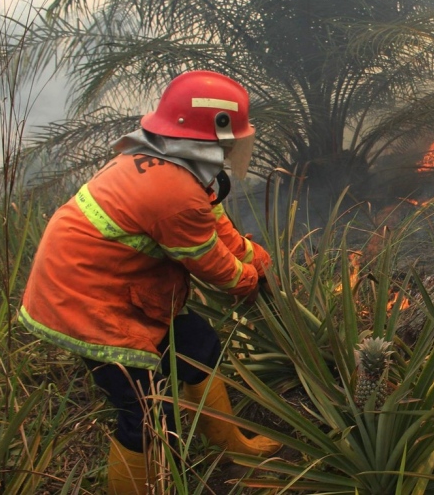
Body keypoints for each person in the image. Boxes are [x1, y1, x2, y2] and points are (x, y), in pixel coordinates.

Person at [18, 70, 280, 494]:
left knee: (198, 346)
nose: (233, 150)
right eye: (230, 141)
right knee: (145, 412)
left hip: (112, 285)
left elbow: (215, 224)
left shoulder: (170, 162)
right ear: (210, 136)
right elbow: (212, 264)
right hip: (88, 305)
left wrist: (258, 259)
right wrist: (253, 284)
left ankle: (230, 445)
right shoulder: (174, 192)